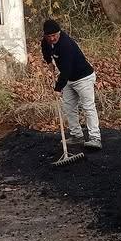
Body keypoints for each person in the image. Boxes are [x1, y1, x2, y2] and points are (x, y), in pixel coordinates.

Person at [41, 19, 102, 149]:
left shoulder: (66, 44)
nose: (52, 39)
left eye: (54, 35)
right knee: (69, 108)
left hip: (83, 77)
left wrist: (58, 88)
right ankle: (76, 136)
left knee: (88, 107)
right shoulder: (46, 41)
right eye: (49, 36)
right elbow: (45, 50)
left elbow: (66, 70)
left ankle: (95, 138)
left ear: (59, 33)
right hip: (69, 79)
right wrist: (49, 62)